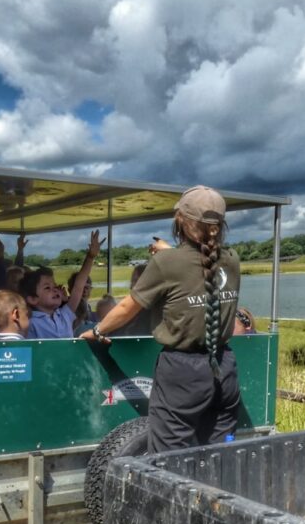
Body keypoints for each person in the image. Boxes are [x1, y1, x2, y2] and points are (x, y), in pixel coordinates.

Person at [81, 186, 241, 451]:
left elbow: (127, 308)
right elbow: (197, 267)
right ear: (220, 225)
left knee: (169, 457)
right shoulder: (233, 260)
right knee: (219, 454)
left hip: (183, 372)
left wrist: (97, 331)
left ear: (182, 222)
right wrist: (170, 252)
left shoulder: (166, 263)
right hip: (225, 366)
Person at [20, 230, 103, 339]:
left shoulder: (64, 315)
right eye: (47, 288)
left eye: (55, 286)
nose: (55, 290)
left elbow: (79, 286)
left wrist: (90, 257)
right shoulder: (30, 323)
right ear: (32, 299)